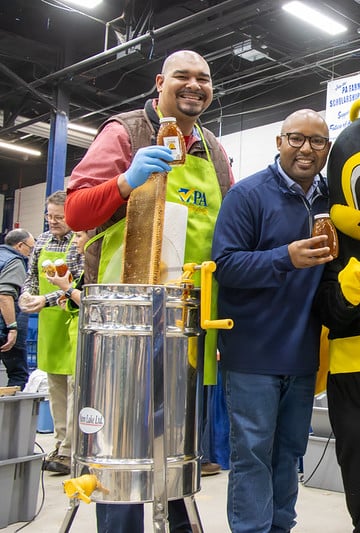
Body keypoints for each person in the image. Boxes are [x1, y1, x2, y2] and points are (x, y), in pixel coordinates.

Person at [65, 49, 233, 533]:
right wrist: (124, 181)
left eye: (204, 78)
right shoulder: (125, 132)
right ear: (160, 82)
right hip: (124, 328)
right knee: (122, 455)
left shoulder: (214, 151)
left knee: (178, 453)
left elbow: (227, 239)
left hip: (190, 326)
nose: (194, 85)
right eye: (182, 76)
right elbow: (76, 211)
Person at [211, 109, 333, 533]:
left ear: (327, 149)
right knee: (252, 454)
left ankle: (280, 527)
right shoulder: (247, 195)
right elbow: (225, 265)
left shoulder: (332, 200)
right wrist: (286, 257)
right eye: (296, 138)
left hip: (302, 356)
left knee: (289, 453)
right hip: (253, 355)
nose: (306, 149)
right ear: (279, 142)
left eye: (317, 141)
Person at [19, 191, 83, 475]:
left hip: (71, 319)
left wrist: (45, 299)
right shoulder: (42, 241)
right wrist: (27, 295)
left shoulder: (79, 241)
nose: (53, 221)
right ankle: (59, 443)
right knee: (56, 386)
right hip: (48, 323)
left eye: (59, 217)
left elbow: (79, 282)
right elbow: (31, 275)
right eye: (49, 216)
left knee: (74, 386)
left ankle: (71, 449)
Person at [0, 229, 36, 389]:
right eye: (31, 248)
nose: (31, 253)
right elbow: (5, 296)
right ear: (20, 245)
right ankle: (12, 415)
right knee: (18, 374)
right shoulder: (14, 261)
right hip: (4, 329)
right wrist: (12, 328)